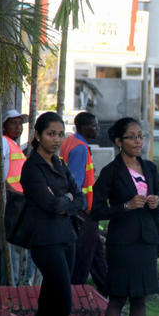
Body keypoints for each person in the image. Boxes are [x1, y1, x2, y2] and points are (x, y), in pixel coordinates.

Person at [91, 117, 159, 316]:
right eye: (132, 137)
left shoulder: (150, 168)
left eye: (141, 136)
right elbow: (97, 210)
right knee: (117, 298)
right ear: (118, 142)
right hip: (122, 242)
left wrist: (158, 202)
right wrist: (125, 206)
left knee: (140, 298)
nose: (138, 141)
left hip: (147, 241)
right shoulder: (111, 172)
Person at [16, 111, 86, 316]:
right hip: (44, 241)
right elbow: (51, 205)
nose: (56, 139)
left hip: (67, 237)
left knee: (48, 305)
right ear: (37, 135)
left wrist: (66, 199)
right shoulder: (32, 167)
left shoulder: (59, 163)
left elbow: (78, 198)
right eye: (50, 134)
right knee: (63, 304)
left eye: (60, 134)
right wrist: (65, 200)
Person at [60, 111, 109, 292]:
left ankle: (108, 292)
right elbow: (76, 183)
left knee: (97, 255)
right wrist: (82, 209)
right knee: (84, 258)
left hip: (86, 211)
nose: (97, 129)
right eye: (94, 126)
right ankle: (76, 297)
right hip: (84, 212)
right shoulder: (80, 148)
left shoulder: (70, 141)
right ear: (83, 127)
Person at [0, 109, 28, 286]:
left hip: (15, 203)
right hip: (4, 204)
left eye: (20, 123)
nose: (18, 127)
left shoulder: (13, 144)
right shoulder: (0, 141)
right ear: (4, 125)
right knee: (5, 252)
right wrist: (8, 188)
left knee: (10, 252)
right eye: (13, 123)